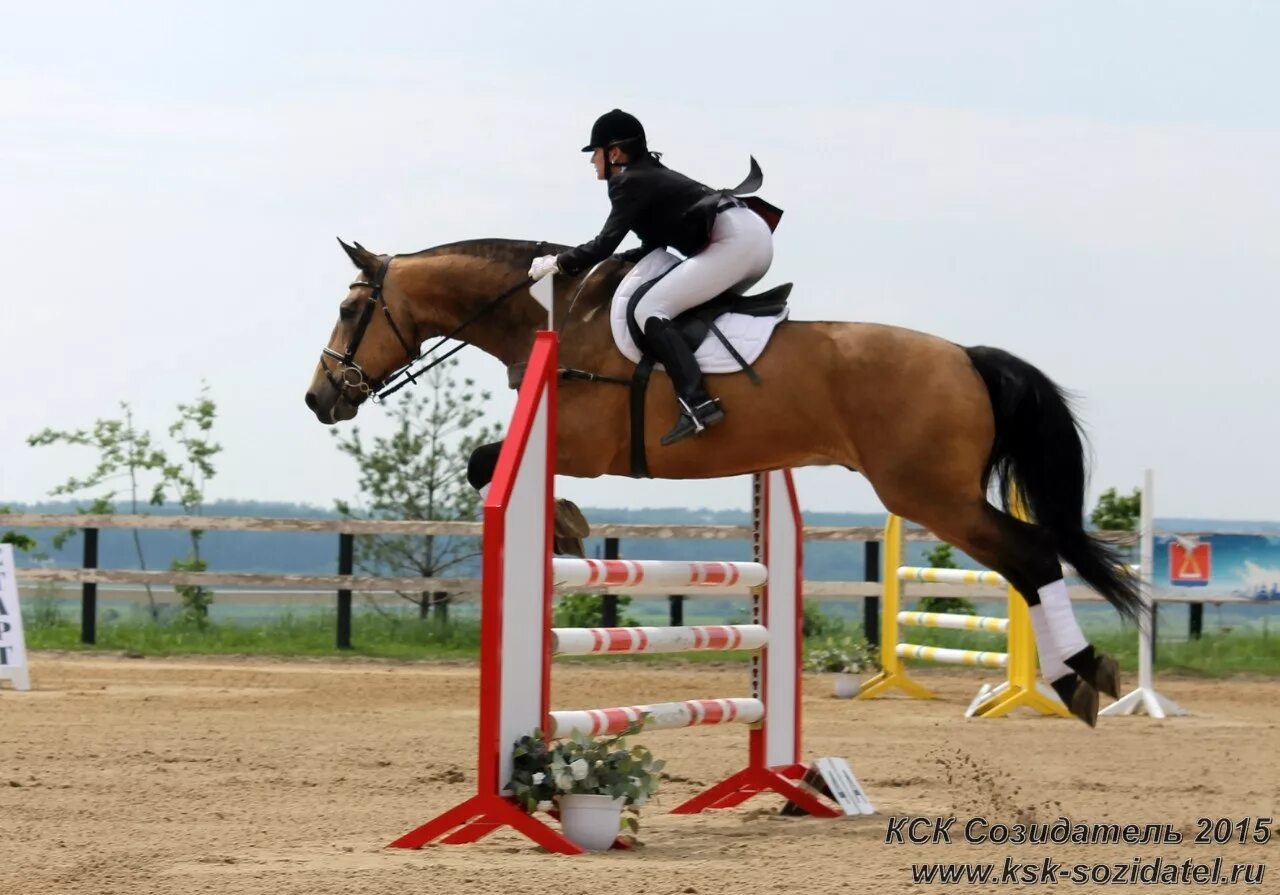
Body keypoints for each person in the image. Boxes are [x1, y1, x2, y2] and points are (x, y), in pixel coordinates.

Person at [528, 109, 776, 446]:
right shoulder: (648, 175)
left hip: (736, 243)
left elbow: (603, 244)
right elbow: (653, 240)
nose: (593, 162)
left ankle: (698, 402)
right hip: (749, 238)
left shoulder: (628, 181)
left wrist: (559, 263)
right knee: (674, 303)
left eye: (595, 153)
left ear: (614, 152)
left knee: (650, 309)